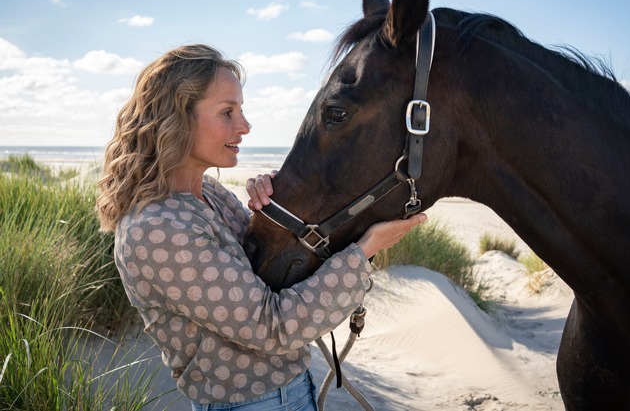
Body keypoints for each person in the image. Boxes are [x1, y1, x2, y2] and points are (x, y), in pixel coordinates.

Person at [96, 44, 427, 410]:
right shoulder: (156, 230)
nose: (245, 126)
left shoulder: (208, 193)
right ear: (177, 118)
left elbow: (266, 279)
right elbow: (273, 326)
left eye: (241, 110)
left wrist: (278, 213)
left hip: (286, 392)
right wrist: (364, 252)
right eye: (227, 112)